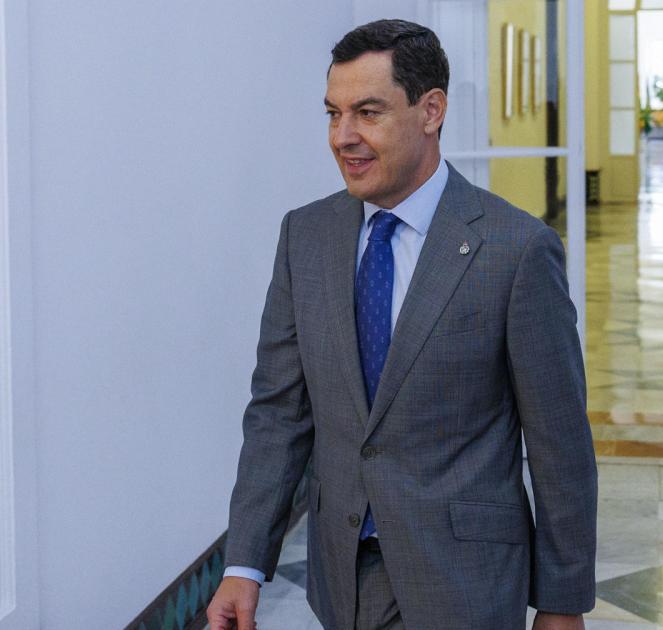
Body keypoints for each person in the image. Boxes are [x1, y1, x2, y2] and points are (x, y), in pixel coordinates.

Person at [206, 19, 597, 630]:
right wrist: (245, 564)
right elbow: (278, 413)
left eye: (367, 112)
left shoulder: (517, 248)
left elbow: (560, 444)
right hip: (340, 578)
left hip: (464, 579)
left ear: (431, 110)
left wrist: (562, 601)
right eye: (333, 114)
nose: (343, 137)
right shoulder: (304, 237)